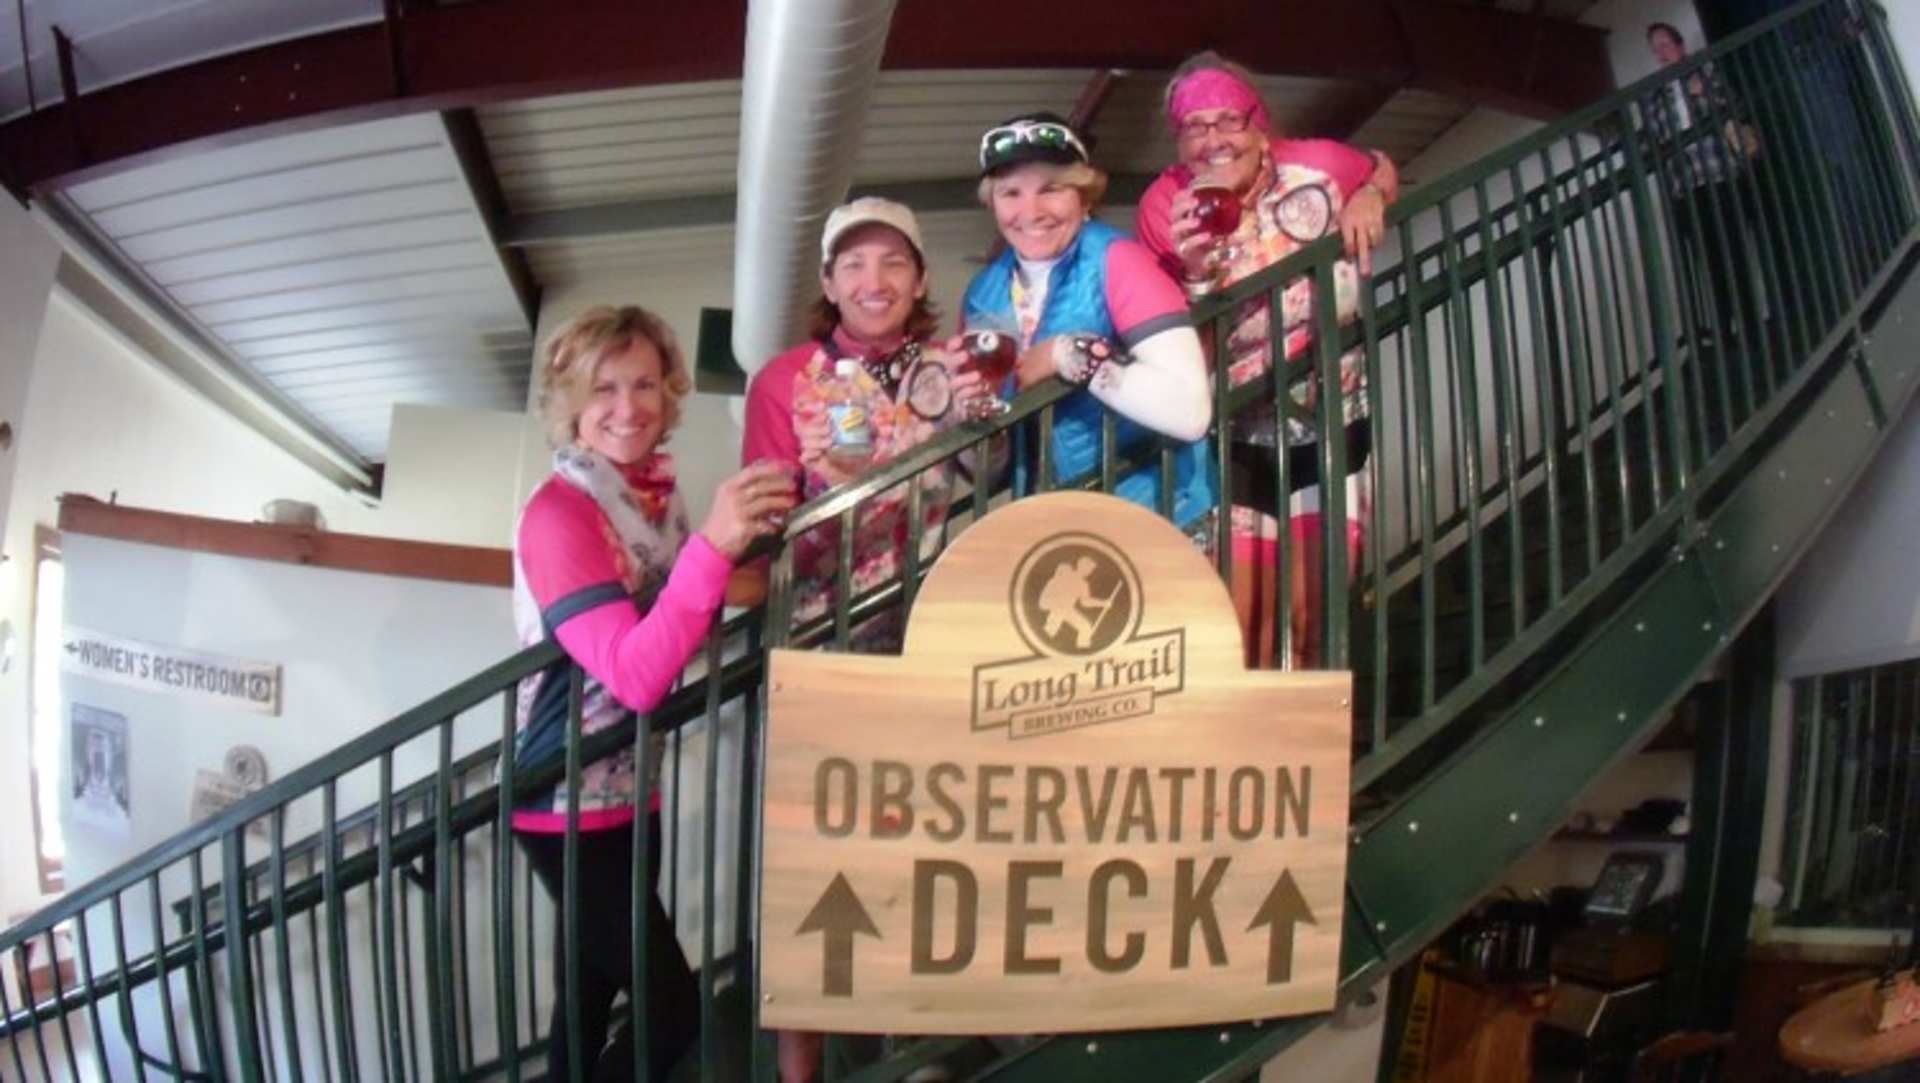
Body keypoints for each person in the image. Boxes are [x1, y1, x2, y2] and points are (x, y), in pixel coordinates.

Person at [511, 304, 797, 1083]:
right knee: (672, 1010)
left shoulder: (651, 502)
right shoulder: (559, 512)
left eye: (643, 384)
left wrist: (754, 544)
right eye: (603, 388)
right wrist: (713, 545)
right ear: (571, 403)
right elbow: (636, 677)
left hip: (633, 788)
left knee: (583, 1008)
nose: (627, 407)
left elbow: (681, 620)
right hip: (563, 795)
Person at [1134, 53, 1400, 668]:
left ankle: (1314, 725)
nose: (1213, 140)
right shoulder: (1163, 204)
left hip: (1332, 410)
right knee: (1243, 622)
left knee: (1317, 609)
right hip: (1237, 427)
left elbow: (1381, 166)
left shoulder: (1318, 165)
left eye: (1228, 120)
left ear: (1259, 127)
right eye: (1194, 127)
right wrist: (1196, 276)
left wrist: (1369, 194)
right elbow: (1169, 343)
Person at [740, 197, 987, 654]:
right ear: (829, 284)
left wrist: (976, 418)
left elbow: (992, 473)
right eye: (854, 264)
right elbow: (763, 546)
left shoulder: (947, 365)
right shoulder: (782, 380)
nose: (874, 282)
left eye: (893, 263)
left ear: (920, 281)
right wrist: (832, 495)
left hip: (926, 633)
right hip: (816, 642)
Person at [961, 111, 1214, 535]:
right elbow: (992, 472)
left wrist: (1070, 354)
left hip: (1161, 516)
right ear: (992, 203)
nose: (1030, 211)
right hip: (1058, 532)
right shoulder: (981, 294)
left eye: (1051, 189)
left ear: (1084, 196)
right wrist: (969, 418)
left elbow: (1189, 412)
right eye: (1011, 193)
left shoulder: (1119, 260)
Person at [1643, 22, 1763, 344]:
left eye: (1665, 44)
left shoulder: (1706, 72)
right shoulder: (1655, 96)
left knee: (1734, 250)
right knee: (1709, 259)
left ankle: (1750, 326)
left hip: (1720, 173)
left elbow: (1732, 105)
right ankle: (1724, 327)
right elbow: (1655, 139)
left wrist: (1702, 93)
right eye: (1655, 49)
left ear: (1680, 45)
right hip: (1687, 185)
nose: (1660, 53)